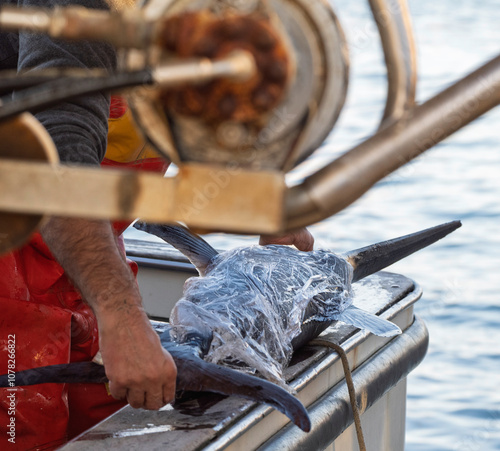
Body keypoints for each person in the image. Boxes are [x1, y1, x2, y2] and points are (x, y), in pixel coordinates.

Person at [0, 0, 314, 449]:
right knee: (20, 426)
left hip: (83, 249)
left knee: (102, 424)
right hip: (10, 253)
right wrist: (123, 318)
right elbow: (55, 172)